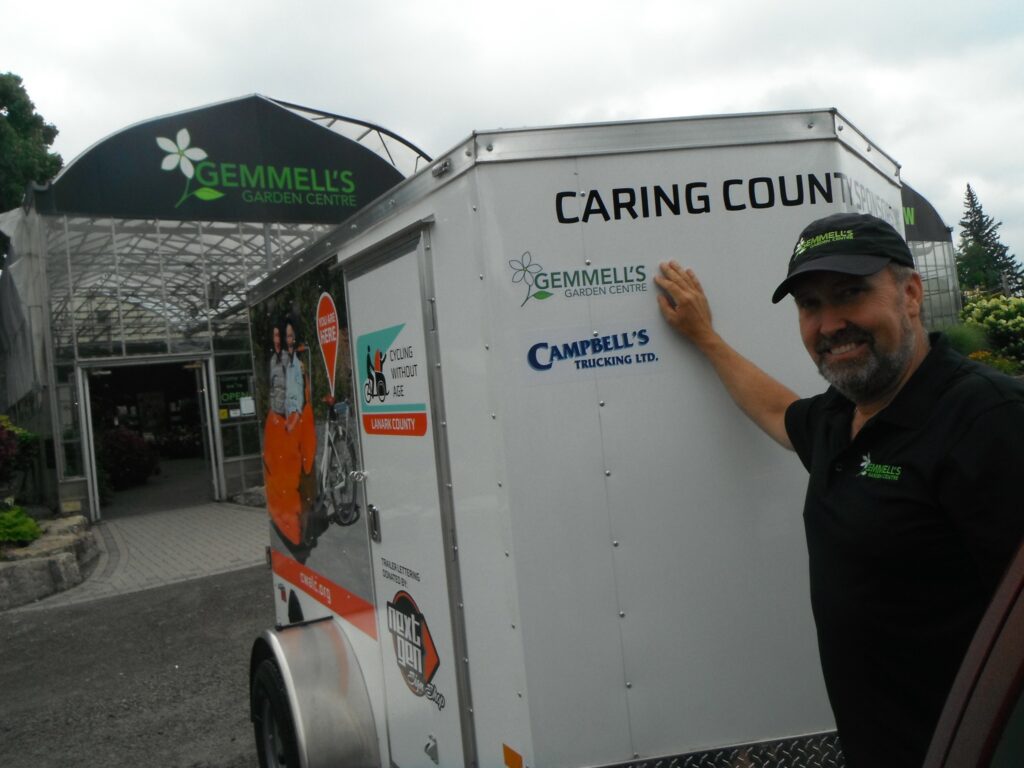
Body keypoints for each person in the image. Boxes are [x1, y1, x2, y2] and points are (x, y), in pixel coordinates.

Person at [654, 211, 1024, 767]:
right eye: (810, 305)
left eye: (851, 293)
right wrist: (706, 338)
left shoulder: (988, 418)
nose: (829, 325)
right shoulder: (840, 418)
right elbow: (778, 411)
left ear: (911, 294)